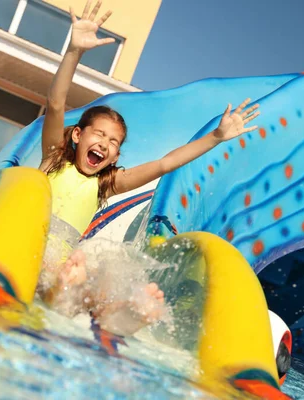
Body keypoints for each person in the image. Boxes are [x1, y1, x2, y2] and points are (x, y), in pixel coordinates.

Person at [38, 0, 260, 335]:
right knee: (69, 273)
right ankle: (70, 292)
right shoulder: (53, 157)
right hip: (30, 249)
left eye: (114, 143)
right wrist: (74, 52)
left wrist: (216, 136)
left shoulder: (106, 184)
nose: (105, 144)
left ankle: (123, 315)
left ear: (114, 158)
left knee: (99, 272)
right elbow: (55, 104)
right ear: (78, 136)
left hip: (64, 267)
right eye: (99, 134)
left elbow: (165, 163)